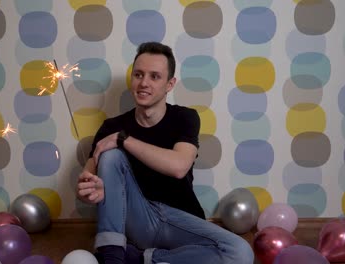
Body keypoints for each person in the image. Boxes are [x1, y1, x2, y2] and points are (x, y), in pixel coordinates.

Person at [76, 42, 254, 264]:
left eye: (154, 76)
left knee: (240, 252)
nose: (144, 83)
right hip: (138, 219)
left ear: (170, 84)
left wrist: (124, 140)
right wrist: (86, 190)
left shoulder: (185, 118)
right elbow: (88, 177)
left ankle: (143, 259)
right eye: (138, 74)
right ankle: (111, 256)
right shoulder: (111, 127)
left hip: (180, 220)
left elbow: (179, 166)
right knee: (112, 155)